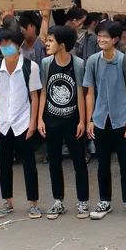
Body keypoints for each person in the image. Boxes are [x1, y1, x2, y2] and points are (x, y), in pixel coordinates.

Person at [83, 19, 126, 219]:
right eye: (99, 35)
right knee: (102, 164)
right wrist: (90, 119)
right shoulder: (93, 61)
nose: (100, 39)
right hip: (100, 118)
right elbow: (89, 92)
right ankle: (104, 201)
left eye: (105, 36)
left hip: (123, 118)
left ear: (115, 39)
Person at [0, 26, 43, 219]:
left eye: (10, 44)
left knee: (29, 165)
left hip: (23, 122)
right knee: (3, 165)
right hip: (2, 123)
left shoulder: (30, 66)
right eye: (3, 44)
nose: (6, 48)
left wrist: (33, 123)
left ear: (19, 45)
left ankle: (33, 204)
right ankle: (7, 202)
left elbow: (34, 96)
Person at [38, 24, 90, 218]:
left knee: (79, 161)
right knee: (54, 161)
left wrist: (82, 121)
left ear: (62, 44)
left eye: (51, 40)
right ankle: (58, 200)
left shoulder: (77, 64)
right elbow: (43, 91)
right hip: (51, 119)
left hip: (72, 120)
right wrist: (40, 119)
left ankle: (82, 202)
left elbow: (81, 94)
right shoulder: (46, 63)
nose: (46, 43)